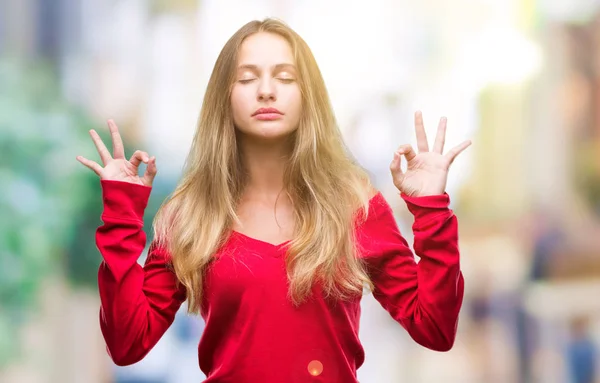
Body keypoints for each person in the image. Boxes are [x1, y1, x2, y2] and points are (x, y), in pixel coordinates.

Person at [76, 18, 471, 383]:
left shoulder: (355, 207)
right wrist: (121, 215)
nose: (267, 90)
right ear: (224, 97)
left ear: (308, 95)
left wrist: (431, 209)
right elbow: (127, 344)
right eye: (247, 78)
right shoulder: (191, 215)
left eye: (285, 77)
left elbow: (434, 328)